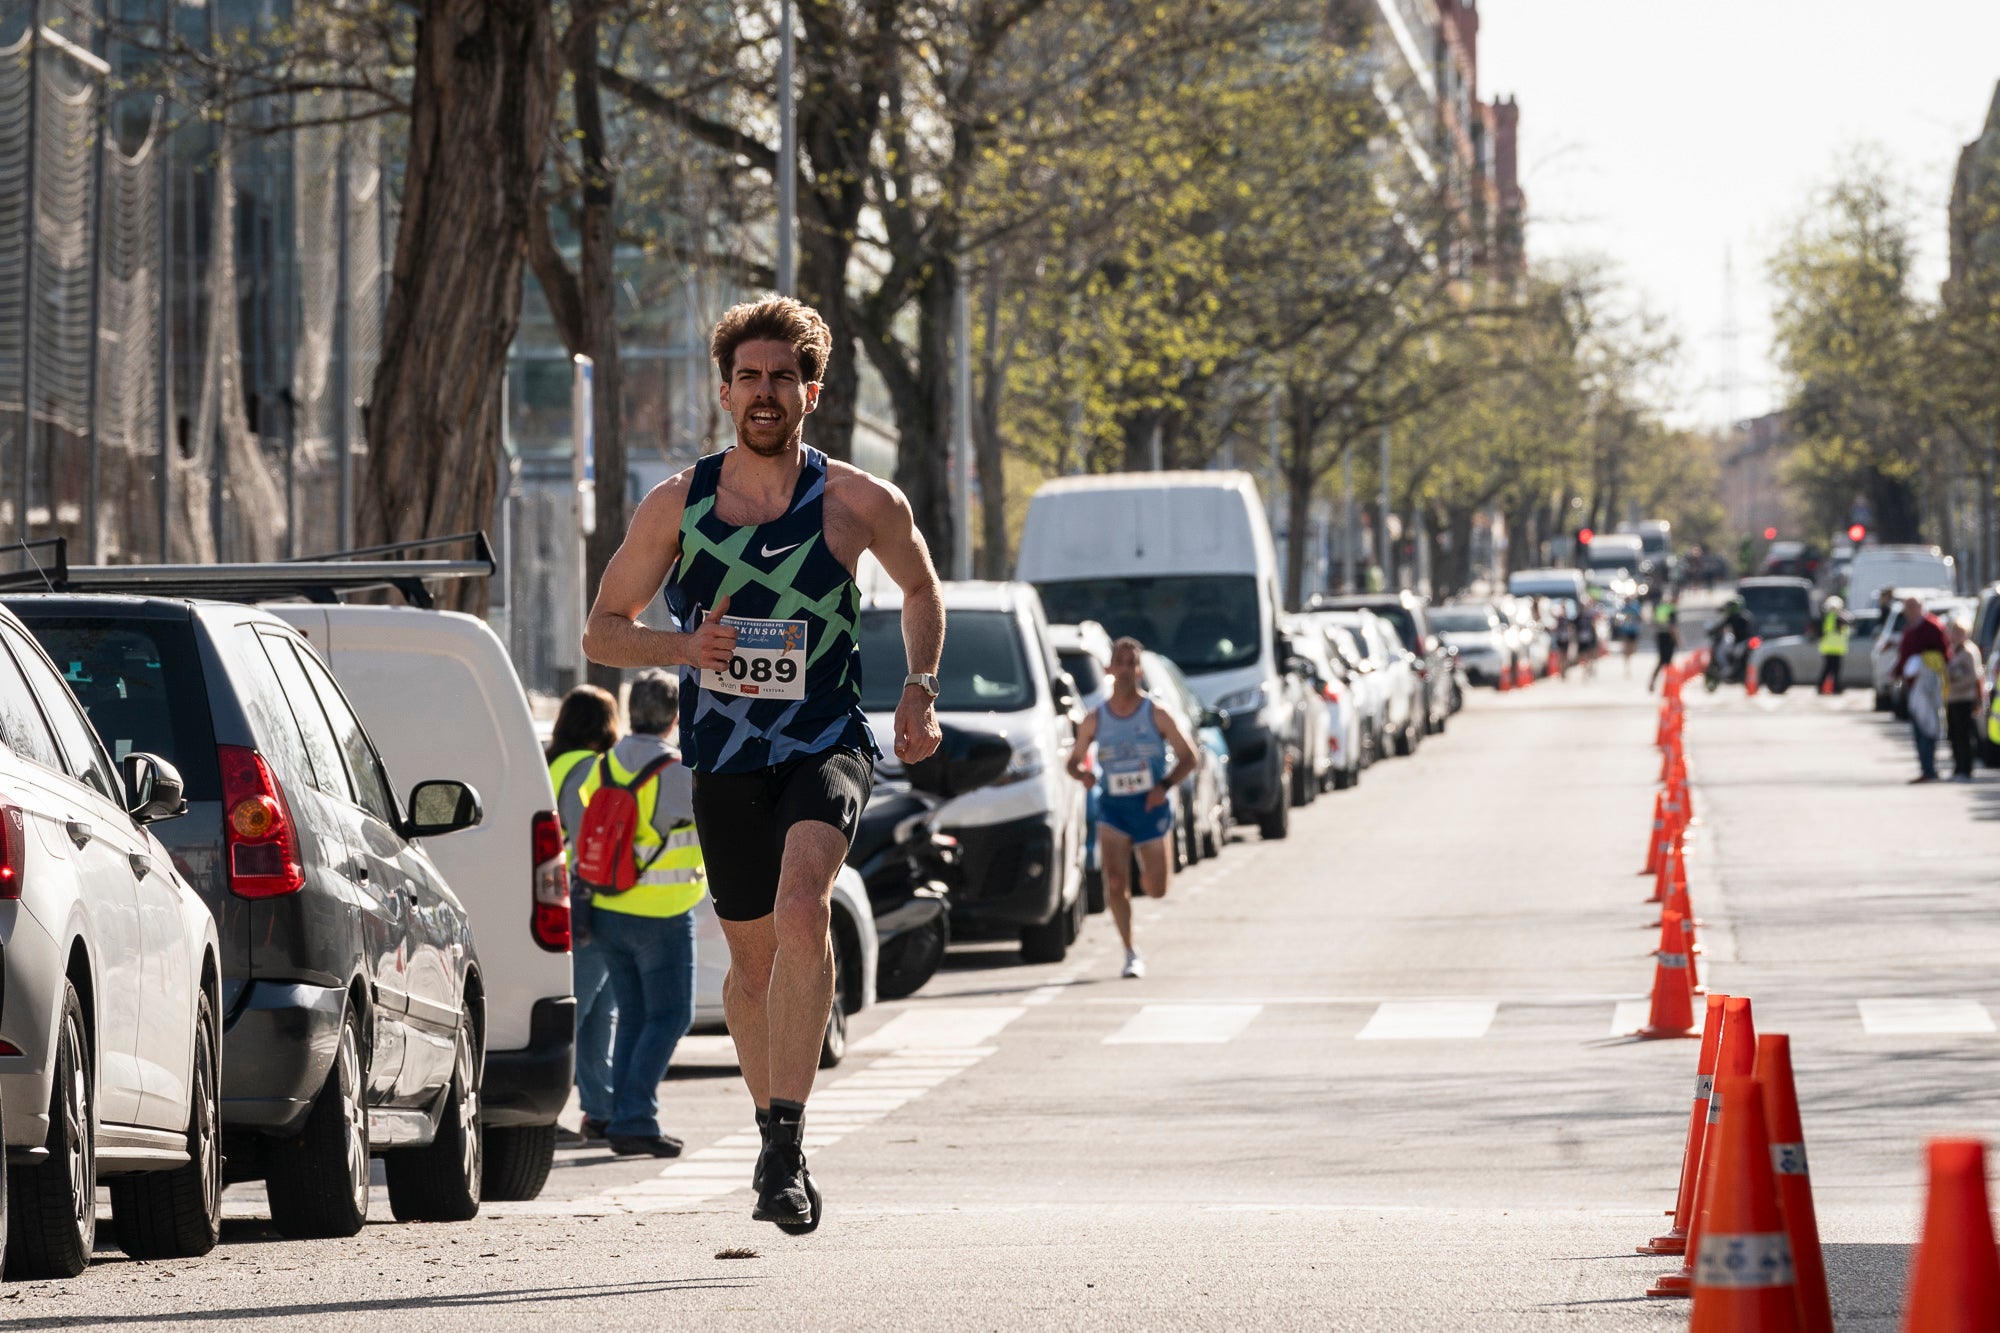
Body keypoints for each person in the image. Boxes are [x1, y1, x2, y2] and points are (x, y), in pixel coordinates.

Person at [582, 296, 944, 1229]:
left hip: (826, 738)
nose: (766, 391)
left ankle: (785, 1141)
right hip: (725, 755)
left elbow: (918, 587)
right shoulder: (678, 504)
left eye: (784, 376)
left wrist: (918, 689)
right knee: (747, 970)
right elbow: (603, 632)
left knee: (801, 900)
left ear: (811, 392)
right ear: (724, 391)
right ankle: (771, 1131)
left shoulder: (860, 502)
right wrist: (682, 651)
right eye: (750, 376)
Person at [574, 669, 705, 1156]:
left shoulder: (602, 766)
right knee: (671, 1016)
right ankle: (635, 1116)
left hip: (606, 907)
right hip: (662, 912)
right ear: (675, 717)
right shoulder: (677, 772)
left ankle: (624, 1118)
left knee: (633, 1016)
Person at [1064, 638, 1198, 979]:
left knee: (1156, 889)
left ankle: (1150, 861)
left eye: (1130, 663)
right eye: (1118, 663)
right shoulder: (1095, 719)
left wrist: (1163, 787)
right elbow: (1073, 763)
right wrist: (1085, 777)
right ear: (1109, 669)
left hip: (1150, 808)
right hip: (1113, 810)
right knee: (1115, 880)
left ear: (1139, 670)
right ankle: (1129, 951)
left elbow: (1189, 757)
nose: (1124, 670)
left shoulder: (1156, 713)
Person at [546, 684, 623, 1145]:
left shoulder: (551, 763)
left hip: (559, 896)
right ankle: (552, 1112)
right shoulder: (590, 769)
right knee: (585, 1012)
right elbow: (588, 837)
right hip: (587, 899)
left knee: (594, 1012)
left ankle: (601, 1111)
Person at [1894, 596, 1950, 784]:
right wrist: (1897, 671)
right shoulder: (1909, 629)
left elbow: (1944, 653)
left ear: (1920, 607)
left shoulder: (1932, 626)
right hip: (1912, 686)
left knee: (1929, 726)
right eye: (1906, 607)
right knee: (1918, 727)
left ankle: (1929, 768)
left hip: (1928, 684)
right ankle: (1925, 768)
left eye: (1912, 607)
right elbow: (1904, 655)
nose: (1909, 611)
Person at [1945, 617, 1984, 782]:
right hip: (1952, 698)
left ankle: (1965, 769)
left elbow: (1973, 676)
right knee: (1953, 734)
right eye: (1954, 632)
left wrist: (1954, 682)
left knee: (1964, 735)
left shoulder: (1969, 651)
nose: (1957, 635)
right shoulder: (1953, 649)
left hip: (1964, 698)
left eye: (1960, 632)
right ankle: (1957, 767)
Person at [1816, 595, 1852, 696]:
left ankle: (1826, 687)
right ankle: (1834, 688)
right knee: (1833, 670)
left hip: (1830, 648)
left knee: (1829, 669)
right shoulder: (1838, 617)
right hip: (1835, 648)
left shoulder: (1828, 617)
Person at [1648, 588, 1679, 692]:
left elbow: (1653, 621)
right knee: (1667, 662)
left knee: (1661, 661)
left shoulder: (1659, 607)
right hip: (1668, 637)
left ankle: (1654, 682)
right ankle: (1669, 686)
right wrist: (1679, 640)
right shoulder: (1671, 609)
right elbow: (1673, 627)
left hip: (1660, 635)